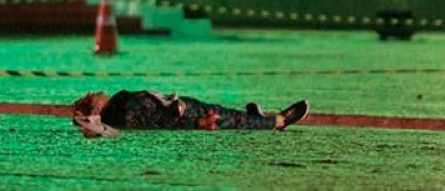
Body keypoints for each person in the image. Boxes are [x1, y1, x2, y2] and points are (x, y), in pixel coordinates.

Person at [72, 90, 309, 138]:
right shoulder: (123, 111)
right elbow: (157, 122)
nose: (94, 92)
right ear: (97, 109)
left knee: (223, 112)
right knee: (225, 118)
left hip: (182, 107)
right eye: (90, 97)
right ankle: (278, 121)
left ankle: (258, 119)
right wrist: (195, 121)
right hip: (185, 114)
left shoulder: (119, 103)